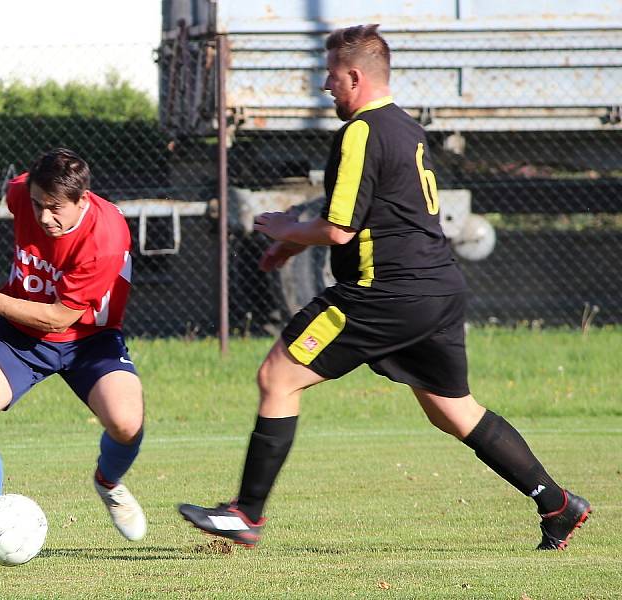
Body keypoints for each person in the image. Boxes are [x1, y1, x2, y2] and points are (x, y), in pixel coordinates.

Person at [178, 25, 590, 551]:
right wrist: (293, 246)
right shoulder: (407, 128)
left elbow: (339, 229)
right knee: (454, 410)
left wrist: (287, 231)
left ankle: (246, 515)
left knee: (277, 377)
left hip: (383, 293)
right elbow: (376, 215)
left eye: (329, 74)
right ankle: (557, 504)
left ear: (353, 76)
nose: (324, 85)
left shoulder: (361, 132)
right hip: (437, 290)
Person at [0, 148, 147, 563]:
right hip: (20, 335)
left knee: (127, 423)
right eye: (38, 204)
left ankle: (108, 482)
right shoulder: (21, 194)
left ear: (82, 200)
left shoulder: (104, 239)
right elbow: (16, 192)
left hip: (89, 337)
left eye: (55, 208)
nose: (44, 217)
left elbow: (57, 319)